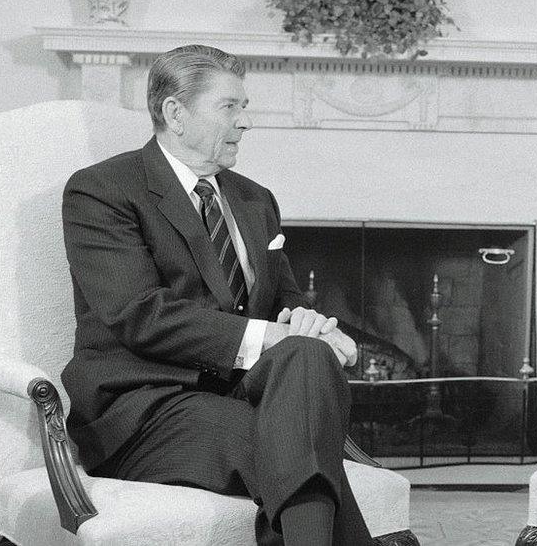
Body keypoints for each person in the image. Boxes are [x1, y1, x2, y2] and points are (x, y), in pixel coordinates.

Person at [61, 45, 372, 545]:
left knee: (308, 360)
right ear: (175, 113)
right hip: (144, 407)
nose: (245, 122)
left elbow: (285, 303)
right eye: (230, 106)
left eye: (243, 107)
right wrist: (274, 335)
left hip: (238, 393)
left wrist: (313, 328)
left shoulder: (254, 198)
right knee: (299, 448)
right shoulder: (102, 190)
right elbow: (139, 314)